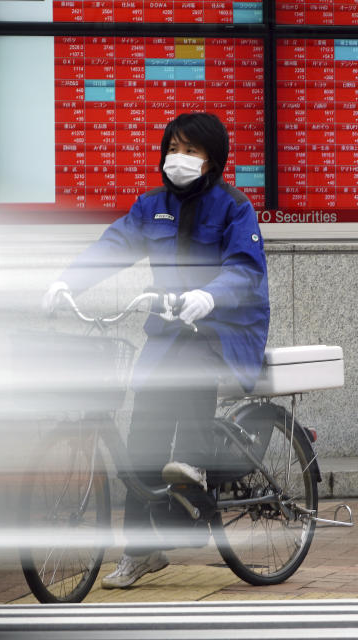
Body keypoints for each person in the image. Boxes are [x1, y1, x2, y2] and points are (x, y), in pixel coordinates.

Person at [41, 112, 269, 589]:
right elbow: (113, 246)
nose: (179, 158)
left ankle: (195, 465)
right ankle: (142, 551)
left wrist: (209, 295)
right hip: (170, 330)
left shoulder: (234, 207)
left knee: (190, 373)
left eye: (191, 151)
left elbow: (246, 271)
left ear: (212, 160)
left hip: (225, 328)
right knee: (141, 439)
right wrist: (67, 283)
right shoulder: (151, 206)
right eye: (174, 148)